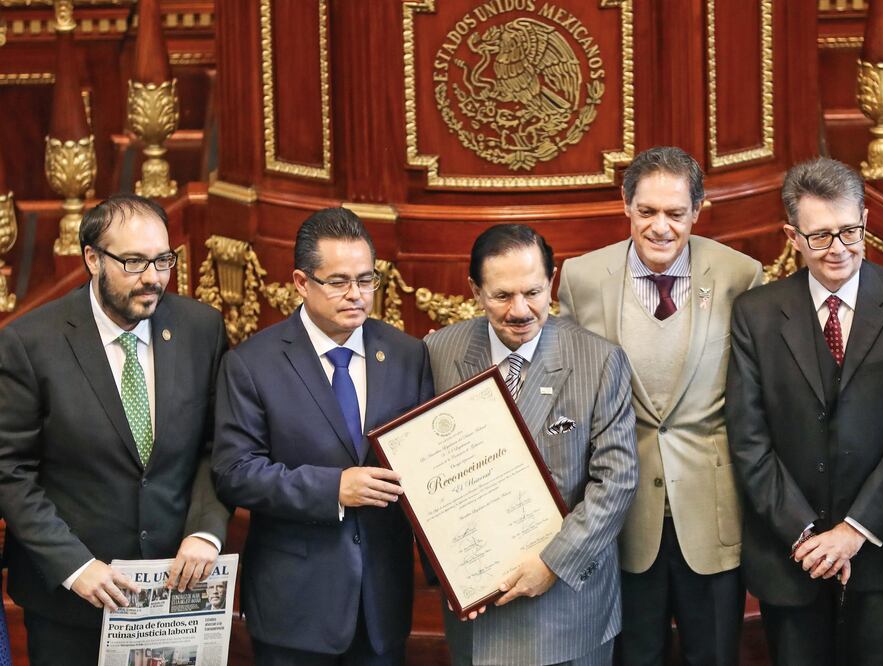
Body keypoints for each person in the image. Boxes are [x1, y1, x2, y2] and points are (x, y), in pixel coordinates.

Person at [0, 194, 230, 666]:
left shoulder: (200, 328)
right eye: (133, 262)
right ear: (92, 259)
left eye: (163, 260)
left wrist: (206, 531)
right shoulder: (29, 343)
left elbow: (217, 445)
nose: (152, 278)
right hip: (72, 604)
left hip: (174, 595)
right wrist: (75, 566)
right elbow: (10, 471)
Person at [558, 146, 762, 666]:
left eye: (675, 213)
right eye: (646, 211)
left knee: (713, 655)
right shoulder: (582, 278)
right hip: (621, 519)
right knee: (634, 656)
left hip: (712, 510)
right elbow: (565, 391)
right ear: (625, 206)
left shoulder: (741, 275)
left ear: (698, 210)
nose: (660, 227)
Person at [726, 157, 883, 666]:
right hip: (791, 552)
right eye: (819, 236)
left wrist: (853, 531)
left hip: (881, 546)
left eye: (849, 231)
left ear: (866, 221)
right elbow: (749, 438)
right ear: (792, 236)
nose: (837, 249)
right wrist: (808, 536)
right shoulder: (756, 313)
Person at [212, 207, 434, 666]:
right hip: (295, 606)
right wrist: (334, 488)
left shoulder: (407, 354)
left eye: (366, 279)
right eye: (338, 282)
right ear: (300, 282)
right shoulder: (252, 363)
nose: (356, 295)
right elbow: (236, 473)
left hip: (381, 605)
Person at [425, 224, 639, 666]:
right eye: (502, 296)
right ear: (475, 290)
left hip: (567, 605)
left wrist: (552, 563)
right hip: (479, 607)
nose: (521, 310)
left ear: (552, 280)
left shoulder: (599, 360)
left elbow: (615, 482)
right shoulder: (438, 352)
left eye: (534, 292)